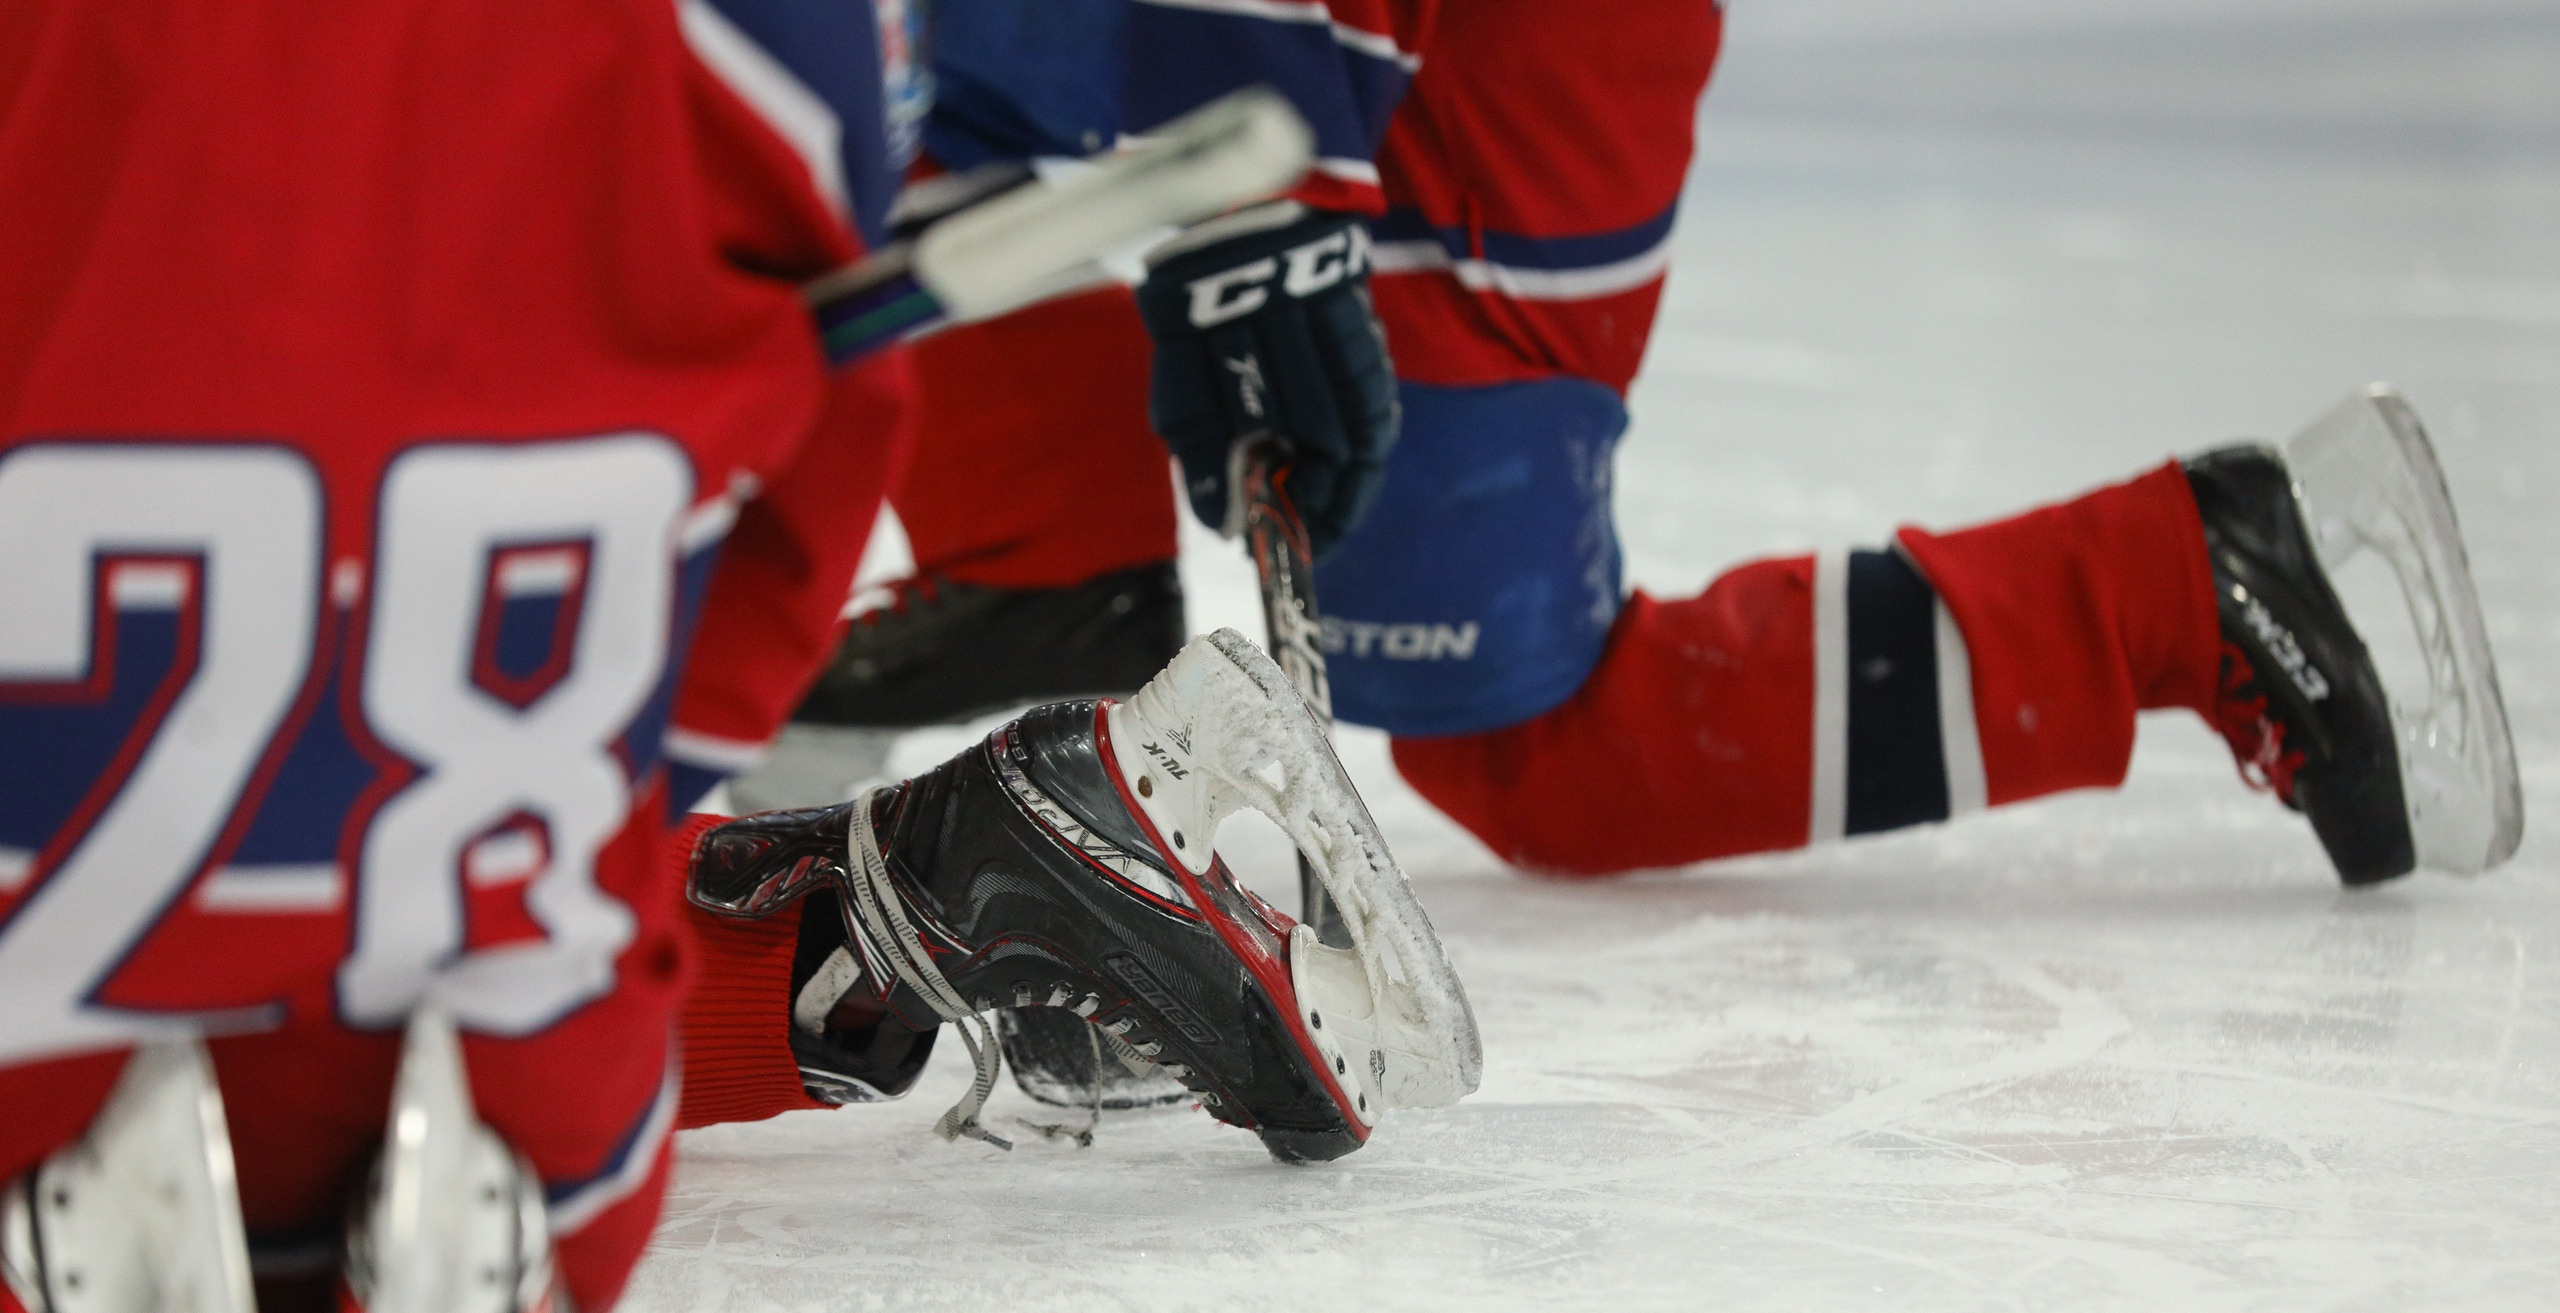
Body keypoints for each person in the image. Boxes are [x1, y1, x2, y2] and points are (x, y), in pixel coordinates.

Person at [0, 4, 1470, 1313]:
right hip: (496, 1049)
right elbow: (772, 538)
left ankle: (858, 919)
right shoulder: (761, 42)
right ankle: (900, 903)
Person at [775, 0, 2520, 901]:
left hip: (1490, 51)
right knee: (818, 87)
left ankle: (2175, 587)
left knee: (1528, 743)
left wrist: (1273, 170)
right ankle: (1038, 550)